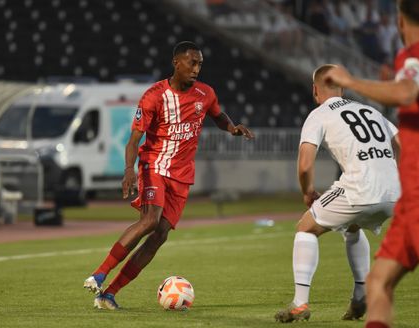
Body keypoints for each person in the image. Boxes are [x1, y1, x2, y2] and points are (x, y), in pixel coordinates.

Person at [83, 41, 254, 310]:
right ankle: (99, 273)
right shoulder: (154, 96)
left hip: (182, 175)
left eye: (199, 64)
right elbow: (134, 139)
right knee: (151, 220)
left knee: (160, 234)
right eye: (192, 63)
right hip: (155, 167)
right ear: (177, 63)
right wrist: (129, 170)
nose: (196, 68)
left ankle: (109, 294)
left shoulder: (205, 93)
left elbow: (218, 116)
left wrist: (232, 129)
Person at [324, 1, 419, 327]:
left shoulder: (414, 56)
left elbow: (406, 92)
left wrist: (351, 83)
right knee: (378, 282)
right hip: (414, 192)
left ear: (399, 21)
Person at [275, 64, 400, 323]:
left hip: (359, 186)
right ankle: (361, 295)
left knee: (306, 228)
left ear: (315, 90)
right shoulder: (370, 110)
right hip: (394, 190)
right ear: (341, 88)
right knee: (351, 227)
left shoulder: (319, 115)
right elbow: (404, 145)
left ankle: (299, 303)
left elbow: (305, 164)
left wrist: (308, 191)